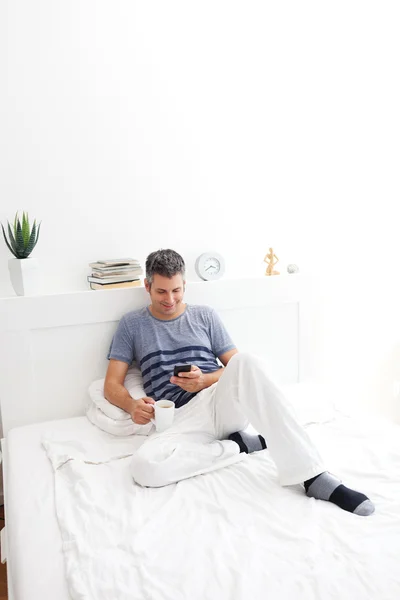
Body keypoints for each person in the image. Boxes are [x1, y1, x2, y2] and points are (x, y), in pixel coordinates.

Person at [104, 249, 374, 516]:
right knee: (144, 468)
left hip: (219, 402)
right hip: (180, 419)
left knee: (249, 360)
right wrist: (131, 404)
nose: (170, 299)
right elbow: (111, 385)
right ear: (147, 286)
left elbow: (236, 366)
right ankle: (239, 446)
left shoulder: (205, 316)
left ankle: (313, 476)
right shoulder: (132, 325)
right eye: (161, 292)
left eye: (176, 290)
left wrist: (205, 380)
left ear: (184, 285)